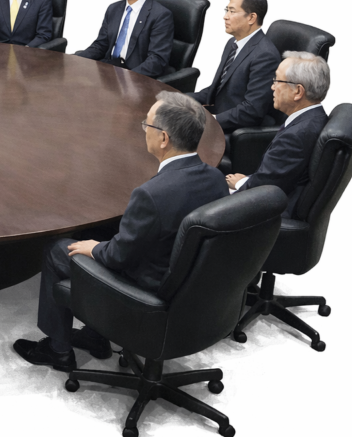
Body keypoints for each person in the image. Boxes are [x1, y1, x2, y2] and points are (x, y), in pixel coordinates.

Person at [14, 92, 229, 371]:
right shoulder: (215, 178)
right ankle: (95, 337)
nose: (144, 130)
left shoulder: (151, 194)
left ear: (164, 138)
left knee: (57, 250)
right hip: (188, 285)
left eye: (147, 125)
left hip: (147, 290)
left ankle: (58, 351)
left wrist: (94, 248)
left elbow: (117, 257)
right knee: (105, 230)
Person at [227, 51, 330, 216]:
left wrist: (240, 184)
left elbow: (263, 191)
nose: (272, 87)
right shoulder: (312, 119)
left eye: (277, 81)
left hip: (263, 215)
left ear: (298, 91)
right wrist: (246, 180)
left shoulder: (295, 137)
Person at [190, 0, 280, 133]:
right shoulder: (233, 43)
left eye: (232, 11)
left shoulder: (265, 55)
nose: (225, 17)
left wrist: (211, 120)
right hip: (218, 114)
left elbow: (252, 111)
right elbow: (218, 89)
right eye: (227, 10)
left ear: (251, 18)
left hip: (234, 128)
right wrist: (180, 99)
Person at [74, 0, 174, 77]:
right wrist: (74, 60)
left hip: (135, 74)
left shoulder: (160, 15)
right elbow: (100, 45)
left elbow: (156, 61)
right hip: (109, 68)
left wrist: (127, 78)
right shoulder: (114, 9)